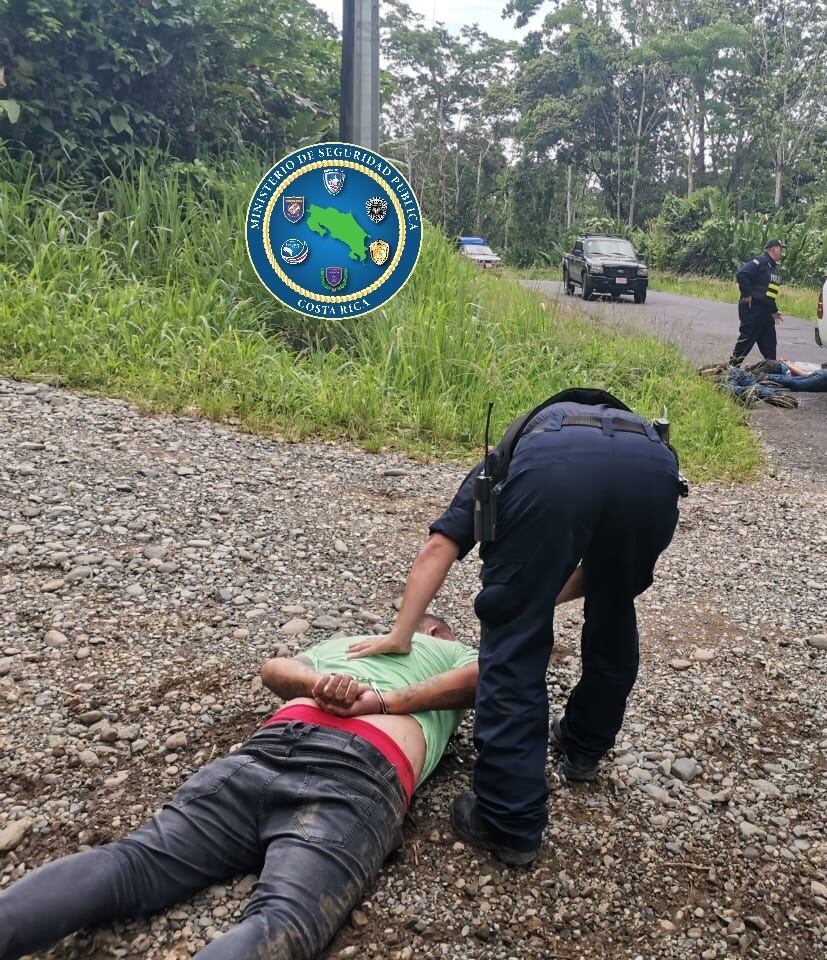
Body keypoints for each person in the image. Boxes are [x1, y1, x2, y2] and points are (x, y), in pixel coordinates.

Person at [0, 615, 478, 960]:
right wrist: (386, 700)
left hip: (268, 747)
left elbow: (275, 670)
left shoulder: (346, 645)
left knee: (133, 862)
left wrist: (322, 684)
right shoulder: (451, 651)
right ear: (438, 632)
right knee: (284, 920)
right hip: (358, 767)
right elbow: (488, 676)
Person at [347, 388, 684, 867]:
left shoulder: (517, 452)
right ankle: (583, 747)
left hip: (556, 472)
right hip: (654, 470)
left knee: (514, 643)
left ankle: (509, 820)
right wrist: (537, 593)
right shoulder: (619, 433)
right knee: (615, 604)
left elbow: (440, 546)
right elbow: (603, 575)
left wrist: (401, 635)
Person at [731, 240, 785, 366]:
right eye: (780, 249)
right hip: (753, 308)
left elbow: (769, 293)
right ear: (773, 249)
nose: (782, 252)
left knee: (770, 344)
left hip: (766, 311)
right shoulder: (760, 262)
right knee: (747, 339)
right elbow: (742, 274)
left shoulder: (773, 268)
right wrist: (747, 295)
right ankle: (733, 367)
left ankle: (771, 370)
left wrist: (774, 310)